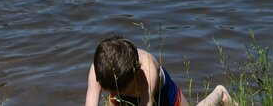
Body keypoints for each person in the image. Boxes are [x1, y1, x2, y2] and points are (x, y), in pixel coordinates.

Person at [83, 34, 232, 106]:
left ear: (136, 73)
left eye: (118, 90)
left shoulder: (148, 72)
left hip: (163, 95)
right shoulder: (100, 69)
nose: (113, 95)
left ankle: (220, 93)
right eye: (109, 90)